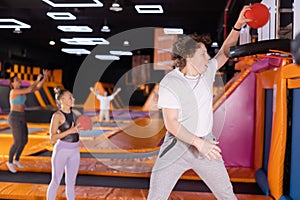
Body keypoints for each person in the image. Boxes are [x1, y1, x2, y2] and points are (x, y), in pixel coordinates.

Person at [147, 6, 252, 200]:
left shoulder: (207, 71)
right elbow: (171, 124)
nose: (208, 58)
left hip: (205, 142)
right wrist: (199, 144)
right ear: (188, 57)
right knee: (156, 196)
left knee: (227, 195)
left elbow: (224, 53)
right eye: (203, 54)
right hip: (176, 148)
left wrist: (237, 25)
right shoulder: (171, 82)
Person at [6, 69, 49, 173]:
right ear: (12, 83)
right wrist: (37, 79)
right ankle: (10, 162)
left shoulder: (22, 90)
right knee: (17, 141)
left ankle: (16, 160)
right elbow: (30, 89)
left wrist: (44, 78)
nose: (19, 80)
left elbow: (37, 88)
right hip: (14, 117)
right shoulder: (14, 91)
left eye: (18, 79)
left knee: (24, 140)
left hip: (22, 116)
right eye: (16, 80)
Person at [46, 87, 82, 200]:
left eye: (72, 97)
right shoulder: (57, 116)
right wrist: (70, 131)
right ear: (62, 100)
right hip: (61, 151)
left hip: (75, 151)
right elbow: (52, 138)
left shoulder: (75, 113)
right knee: (56, 181)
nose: (73, 99)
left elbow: (76, 131)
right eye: (70, 97)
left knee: (71, 183)